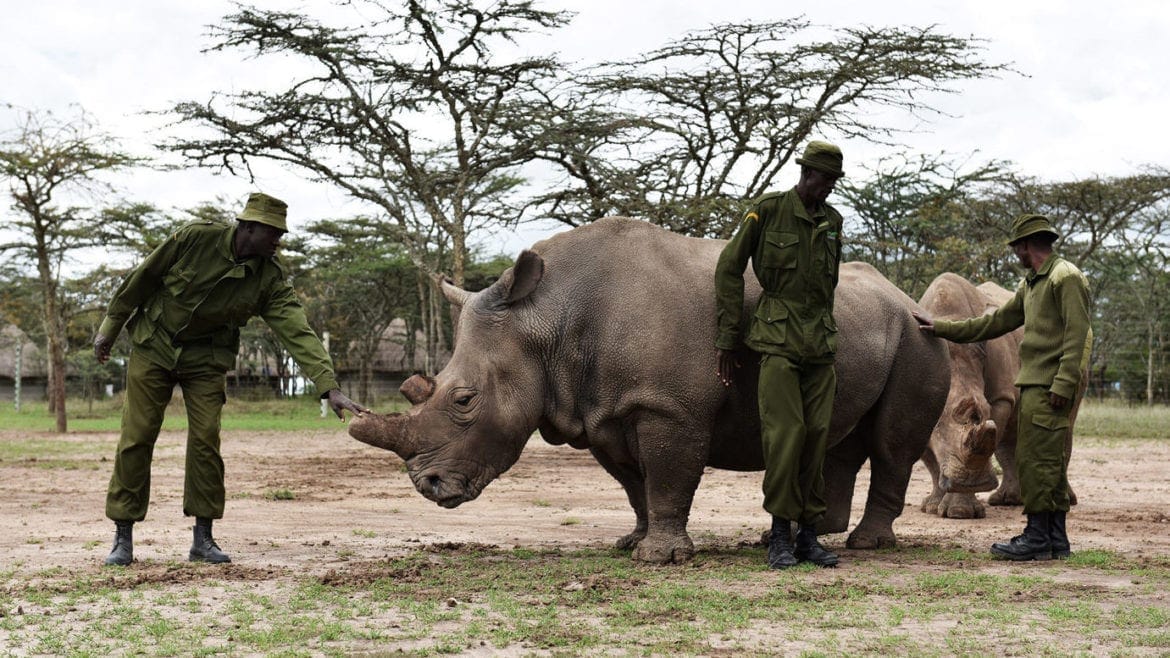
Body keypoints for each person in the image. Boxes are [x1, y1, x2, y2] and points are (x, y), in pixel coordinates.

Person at [94, 192, 369, 566]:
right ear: (248, 228)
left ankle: (202, 539)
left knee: (206, 438)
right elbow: (144, 277)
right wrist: (110, 327)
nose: (278, 241)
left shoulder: (268, 279)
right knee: (137, 436)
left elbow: (296, 330)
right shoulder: (195, 238)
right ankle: (122, 536)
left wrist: (328, 385)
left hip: (206, 358)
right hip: (153, 346)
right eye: (273, 233)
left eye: (281, 234)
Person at [912, 213, 1092, 561]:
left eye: (1017, 248)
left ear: (1026, 246)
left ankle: (1038, 536)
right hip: (1035, 383)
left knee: (1038, 462)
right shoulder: (1032, 283)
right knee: (1039, 460)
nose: (1016, 254)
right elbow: (996, 322)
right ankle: (1054, 538)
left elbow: (1078, 333)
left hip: (1051, 385)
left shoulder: (1064, 277)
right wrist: (944, 328)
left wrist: (1065, 383)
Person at [714, 140, 845, 569]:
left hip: (820, 345)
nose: (827, 188)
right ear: (806, 173)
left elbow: (828, 286)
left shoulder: (833, 220)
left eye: (832, 181)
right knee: (786, 435)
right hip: (777, 341)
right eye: (824, 179)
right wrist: (728, 337)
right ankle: (779, 537)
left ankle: (809, 536)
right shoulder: (768, 210)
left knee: (816, 435)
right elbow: (730, 266)